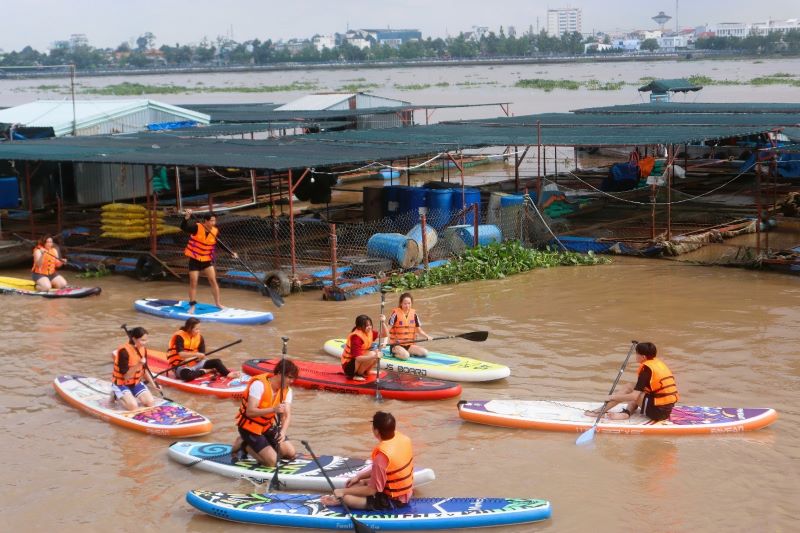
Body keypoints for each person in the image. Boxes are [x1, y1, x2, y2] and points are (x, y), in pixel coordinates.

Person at [320, 411, 413, 511]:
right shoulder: (403, 440)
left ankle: (340, 500)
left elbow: (372, 491)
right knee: (355, 484)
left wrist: (343, 491)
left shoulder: (381, 458)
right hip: (404, 493)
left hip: (393, 501)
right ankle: (341, 496)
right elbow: (384, 469)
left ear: (376, 431)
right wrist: (359, 477)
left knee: (347, 498)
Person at [586, 342, 679, 422]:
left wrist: (612, 397)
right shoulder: (657, 364)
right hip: (666, 409)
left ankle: (599, 412)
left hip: (657, 412)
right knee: (632, 387)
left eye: (637, 354)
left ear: (643, 357)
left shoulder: (646, 371)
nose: (636, 356)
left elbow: (634, 396)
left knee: (631, 390)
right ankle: (626, 413)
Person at [234, 358, 299, 467]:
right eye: (289, 377)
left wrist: (282, 432)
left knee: (290, 453)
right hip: (249, 428)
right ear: (279, 373)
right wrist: (273, 409)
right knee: (272, 462)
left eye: (293, 378)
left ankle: (264, 445)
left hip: (267, 426)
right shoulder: (259, 385)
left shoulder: (288, 391)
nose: (292, 381)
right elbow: (250, 412)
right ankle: (244, 445)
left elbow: (286, 416)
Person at [181, 209, 238, 313]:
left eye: (214, 221)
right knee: (193, 283)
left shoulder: (215, 231)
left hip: (207, 260)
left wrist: (231, 252)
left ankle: (218, 303)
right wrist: (186, 218)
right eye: (211, 221)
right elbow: (184, 227)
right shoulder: (197, 227)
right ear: (205, 221)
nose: (213, 223)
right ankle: (192, 306)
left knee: (213, 281)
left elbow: (222, 243)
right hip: (194, 260)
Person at [166, 317, 241, 382]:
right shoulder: (180, 336)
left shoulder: (200, 338)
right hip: (180, 365)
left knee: (217, 361)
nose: (198, 331)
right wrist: (196, 355)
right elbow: (181, 354)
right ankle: (206, 371)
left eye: (199, 329)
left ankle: (228, 374)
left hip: (195, 363)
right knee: (188, 376)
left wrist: (197, 357)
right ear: (189, 328)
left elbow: (202, 355)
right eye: (196, 329)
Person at [112, 327, 157, 411]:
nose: (145, 343)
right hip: (121, 383)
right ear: (134, 339)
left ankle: (130, 395)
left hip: (135, 383)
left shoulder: (143, 350)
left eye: (146, 340)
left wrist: (154, 385)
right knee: (133, 407)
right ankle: (115, 394)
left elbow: (145, 370)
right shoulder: (123, 351)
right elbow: (125, 376)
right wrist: (139, 364)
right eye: (142, 340)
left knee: (150, 402)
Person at [387, 292, 432, 360]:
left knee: (424, 353)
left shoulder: (414, 315)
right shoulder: (395, 314)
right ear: (401, 303)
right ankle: (394, 354)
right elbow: (387, 330)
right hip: (396, 345)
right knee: (405, 356)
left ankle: (406, 352)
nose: (407, 306)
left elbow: (419, 330)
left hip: (409, 345)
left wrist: (427, 336)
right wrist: (385, 342)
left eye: (409, 303)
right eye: (405, 303)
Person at [342, 314, 386, 381]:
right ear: (359, 327)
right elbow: (357, 358)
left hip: (357, 362)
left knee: (376, 352)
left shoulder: (369, 332)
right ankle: (357, 374)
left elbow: (385, 334)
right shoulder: (356, 337)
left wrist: (383, 322)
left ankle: (367, 372)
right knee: (372, 354)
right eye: (366, 326)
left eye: (370, 325)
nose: (369, 327)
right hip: (349, 367)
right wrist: (374, 356)